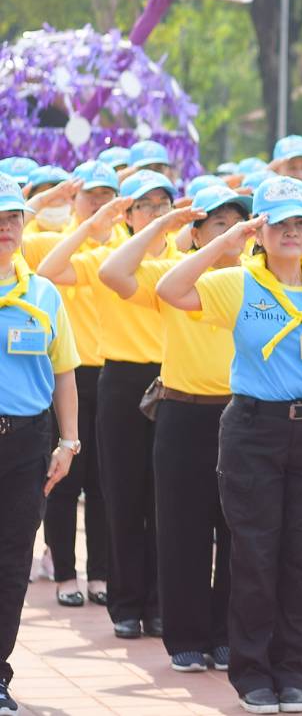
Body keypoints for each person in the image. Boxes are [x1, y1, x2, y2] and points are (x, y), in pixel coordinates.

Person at [156, 176, 302, 716]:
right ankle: (252, 675)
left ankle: (292, 670)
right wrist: (224, 243)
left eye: (300, 223)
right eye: (279, 223)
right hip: (253, 431)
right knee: (255, 555)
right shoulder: (238, 284)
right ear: (260, 232)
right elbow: (170, 290)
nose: (291, 233)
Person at [98, 183, 249, 673]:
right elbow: (113, 272)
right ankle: (185, 635)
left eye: (237, 226)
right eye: (218, 226)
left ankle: (226, 632)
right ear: (197, 232)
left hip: (240, 417)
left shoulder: (258, 282)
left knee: (236, 532)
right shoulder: (172, 278)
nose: (230, 237)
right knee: (181, 529)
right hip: (183, 415)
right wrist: (162, 225)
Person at [40, 168, 177, 639]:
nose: (157, 214)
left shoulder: (187, 258)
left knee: (165, 498)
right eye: (146, 206)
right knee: (122, 494)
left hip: (173, 381)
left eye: (164, 205)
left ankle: (159, 601)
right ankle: (126, 601)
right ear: (129, 213)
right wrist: (92, 222)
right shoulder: (107, 257)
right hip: (120, 381)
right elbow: (49, 270)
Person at [0, 175, 82, 715]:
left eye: (12, 219)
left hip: (27, 441)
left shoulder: (43, 294)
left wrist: (69, 442)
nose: (5, 229)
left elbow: (64, 374)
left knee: (10, 562)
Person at [23, 163, 117, 610]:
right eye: (90, 196)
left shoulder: (126, 246)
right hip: (66, 374)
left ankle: (99, 572)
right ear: (73, 199)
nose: (99, 205)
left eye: (107, 196)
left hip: (112, 374)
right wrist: (48, 201)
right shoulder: (48, 239)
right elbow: (42, 262)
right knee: (65, 477)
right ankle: (64, 572)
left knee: (104, 482)